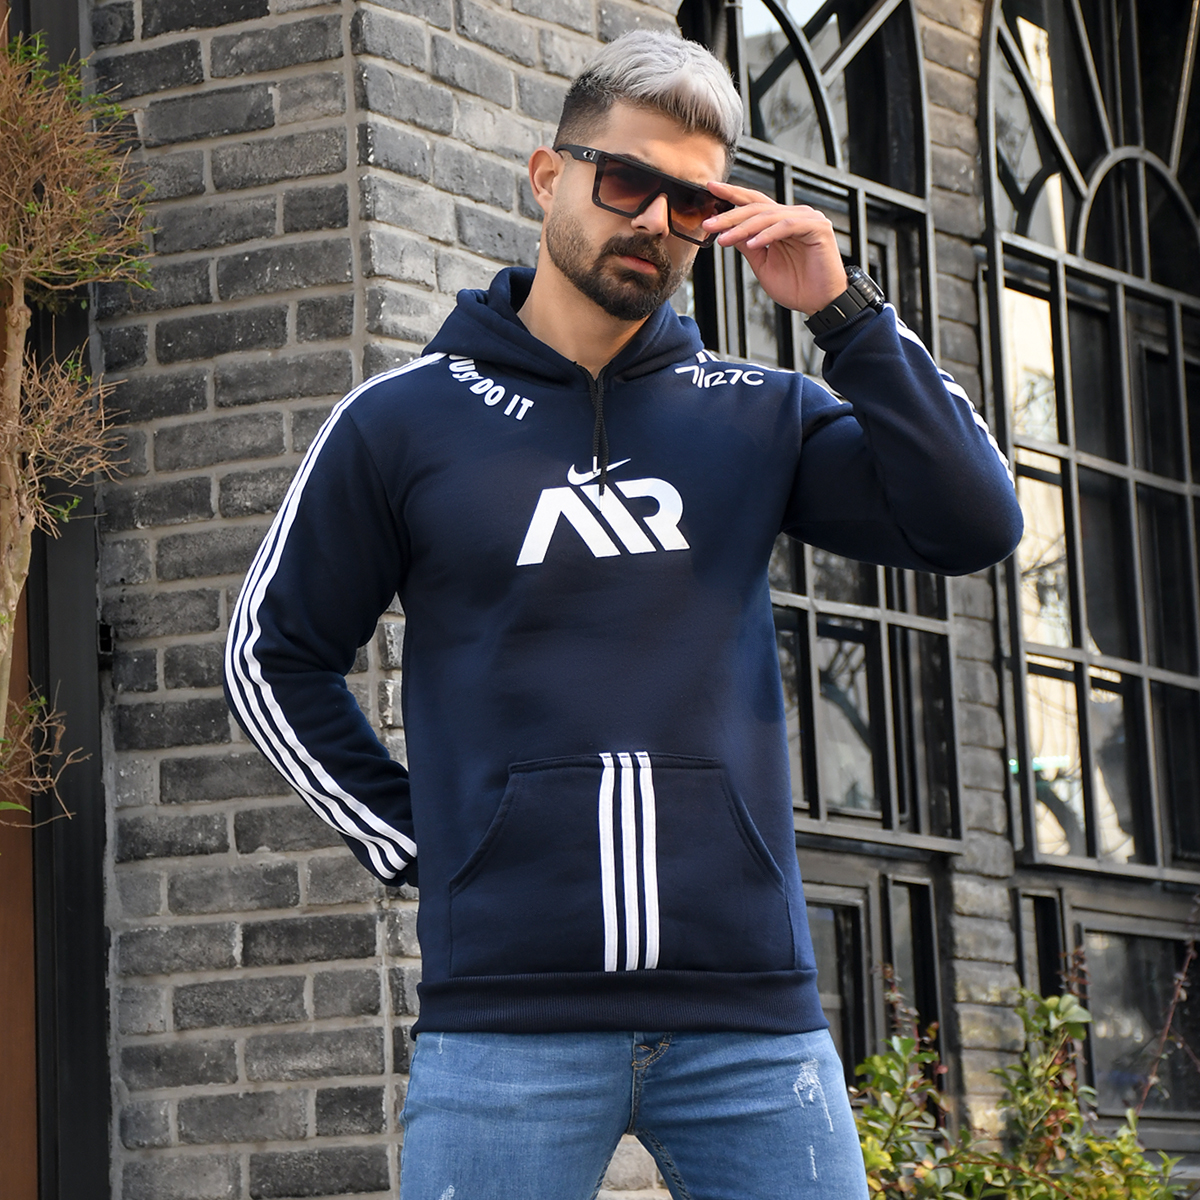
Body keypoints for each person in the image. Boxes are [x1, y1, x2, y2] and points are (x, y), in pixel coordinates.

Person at [225, 28, 1022, 1200]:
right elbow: (269, 654)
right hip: (506, 1021)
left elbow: (974, 522)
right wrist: (415, 839)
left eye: (692, 201)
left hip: (752, 1021)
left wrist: (844, 308)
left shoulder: (761, 416)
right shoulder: (402, 423)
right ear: (548, 176)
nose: (653, 219)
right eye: (626, 180)